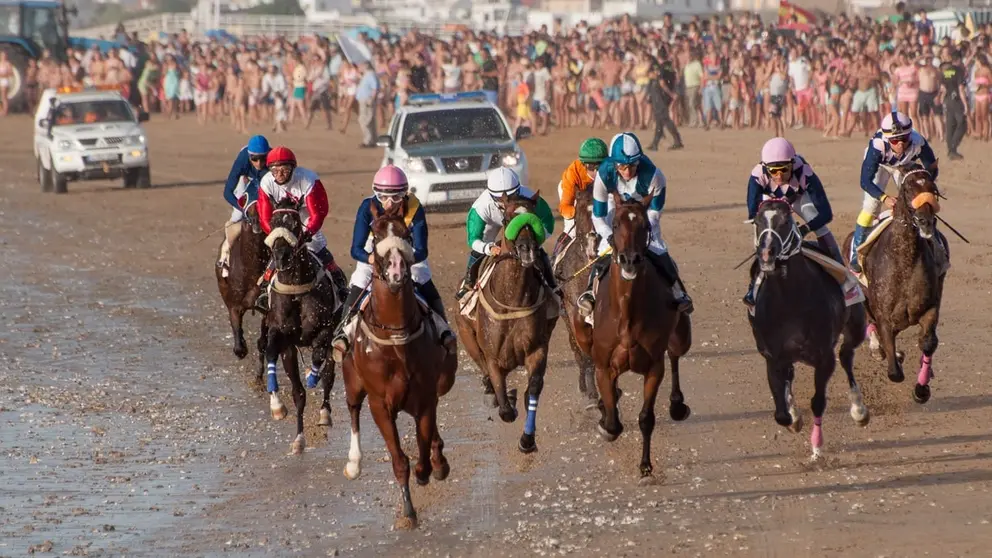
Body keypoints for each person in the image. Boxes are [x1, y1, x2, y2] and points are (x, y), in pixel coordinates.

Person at [331, 165, 455, 361]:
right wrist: (370, 258)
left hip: (408, 256)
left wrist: (404, 259)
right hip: (375, 255)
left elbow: (422, 250)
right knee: (359, 283)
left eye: (396, 198)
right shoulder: (367, 208)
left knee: (423, 279)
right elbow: (356, 249)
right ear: (376, 194)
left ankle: (443, 329)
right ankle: (343, 332)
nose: (389, 203)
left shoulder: (415, 208)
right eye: (383, 197)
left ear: (405, 195)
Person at [577, 132, 693, 315]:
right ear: (614, 163)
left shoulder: (655, 176)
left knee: (657, 246)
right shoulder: (604, 174)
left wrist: (642, 231)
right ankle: (591, 292)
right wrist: (609, 236)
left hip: (643, 210)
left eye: (632, 165)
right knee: (602, 250)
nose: (628, 171)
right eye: (622, 166)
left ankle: (679, 292)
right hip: (614, 204)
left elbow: (654, 213)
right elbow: (598, 216)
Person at [743, 137, 856, 306]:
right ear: (765, 168)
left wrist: (805, 229)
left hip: (797, 198)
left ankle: (843, 277)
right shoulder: (757, 175)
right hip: (771, 201)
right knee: (763, 233)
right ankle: (754, 285)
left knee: (821, 229)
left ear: (792, 163)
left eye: (784, 169)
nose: (779, 175)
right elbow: (753, 213)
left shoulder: (805, 172)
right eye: (773, 171)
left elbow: (825, 213)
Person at [255, 146, 349, 310]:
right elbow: (264, 216)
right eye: (274, 170)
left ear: (293, 168)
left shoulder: (308, 180)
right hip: (281, 220)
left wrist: (306, 234)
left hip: (305, 216)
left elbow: (318, 213)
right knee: (278, 249)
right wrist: (275, 235)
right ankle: (265, 286)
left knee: (317, 246)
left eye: (284, 170)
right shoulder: (266, 182)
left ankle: (338, 282)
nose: (279, 175)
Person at [849, 111, 939, 274]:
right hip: (881, 166)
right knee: (871, 207)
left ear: (910, 135)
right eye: (894, 140)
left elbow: (932, 168)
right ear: (887, 138)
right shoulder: (877, 146)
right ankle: (855, 255)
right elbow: (865, 181)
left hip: (904, 167)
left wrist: (925, 189)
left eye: (904, 139)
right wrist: (884, 198)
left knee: (919, 202)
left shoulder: (919, 141)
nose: (900, 144)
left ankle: (936, 245)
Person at [455, 167, 558, 300]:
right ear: (491, 195)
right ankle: (469, 283)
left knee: (536, 248)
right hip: (492, 221)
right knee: (479, 250)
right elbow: (473, 239)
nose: (506, 201)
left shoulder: (529, 197)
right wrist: (488, 248)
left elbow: (548, 224)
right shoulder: (481, 207)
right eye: (500, 198)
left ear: (519, 190)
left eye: (512, 196)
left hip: (518, 219)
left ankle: (552, 285)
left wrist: (535, 240)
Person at [217, 135, 270, 275]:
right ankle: (226, 253)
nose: (259, 163)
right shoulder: (242, 160)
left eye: (263, 158)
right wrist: (244, 209)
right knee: (238, 216)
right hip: (246, 180)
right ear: (249, 156)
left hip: (265, 182)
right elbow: (227, 192)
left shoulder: (272, 162)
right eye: (255, 159)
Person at [558, 137, 608, 240]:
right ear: (584, 164)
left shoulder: (611, 170)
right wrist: (581, 212)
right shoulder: (572, 174)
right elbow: (565, 207)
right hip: (575, 193)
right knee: (571, 229)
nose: (596, 172)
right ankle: (559, 251)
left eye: (600, 166)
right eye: (591, 167)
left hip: (596, 196)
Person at [645, 63, 684, 151]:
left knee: (665, 119)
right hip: (661, 99)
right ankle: (655, 144)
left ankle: (678, 141)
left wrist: (671, 94)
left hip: (660, 100)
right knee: (659, 122)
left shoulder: (660, 70)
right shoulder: (669, 68)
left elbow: (662, 83)